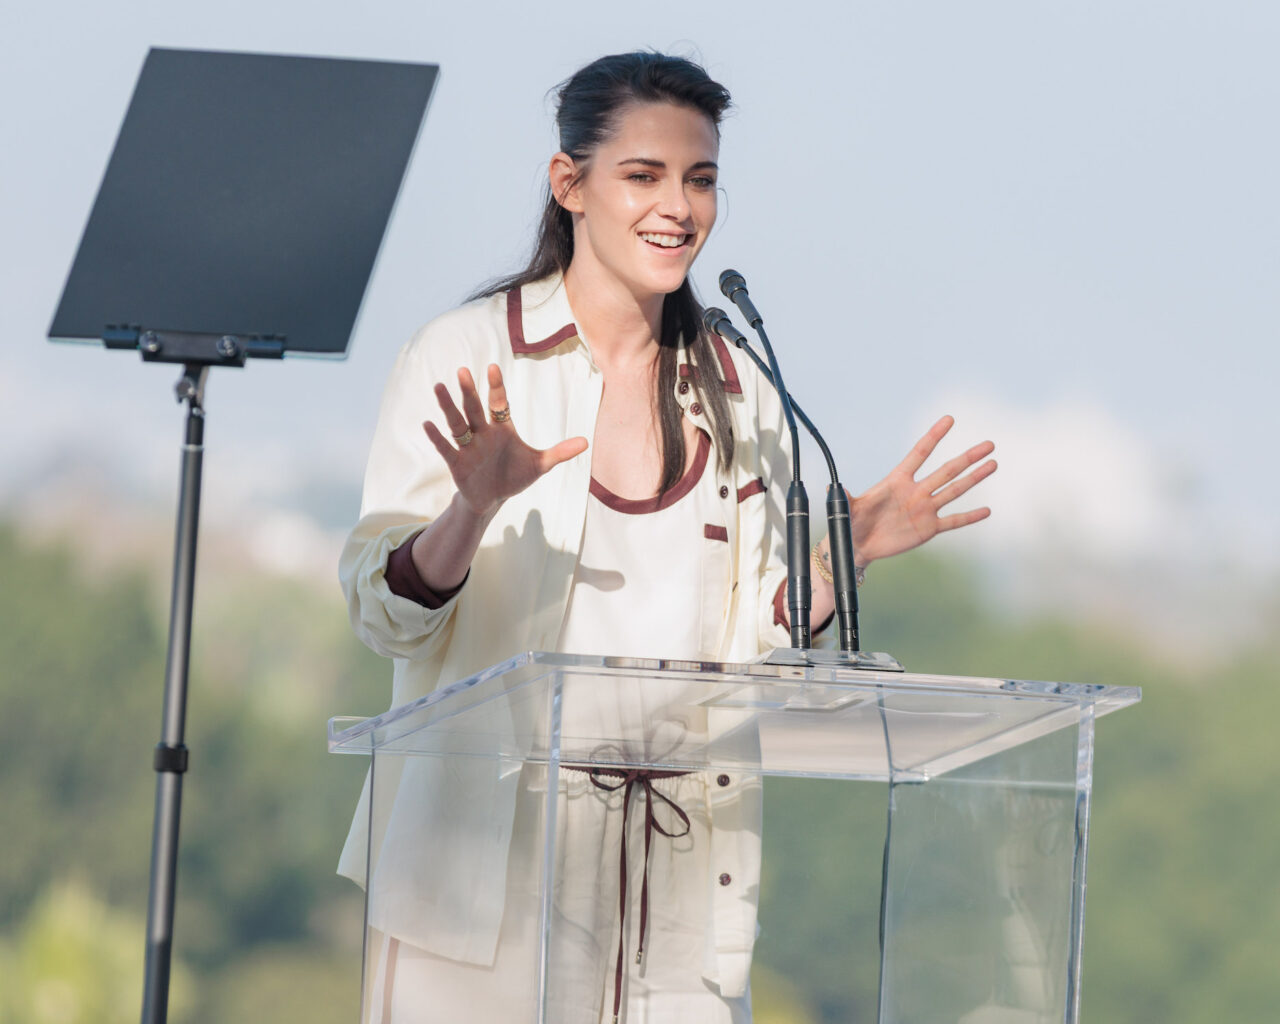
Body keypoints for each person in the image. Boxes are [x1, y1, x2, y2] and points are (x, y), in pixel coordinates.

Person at [337, 51, 997, 1024]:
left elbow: (754, 651)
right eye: (643, 175)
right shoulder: (466, 355)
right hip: (478, 889)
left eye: (700, 179)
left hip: (677, 889)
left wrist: (838, 558)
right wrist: (469, 509)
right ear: (571, 185)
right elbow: (383, 614)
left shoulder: (742, 389)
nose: (677, 208)